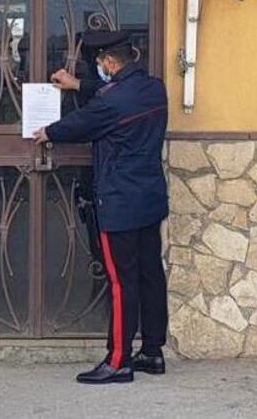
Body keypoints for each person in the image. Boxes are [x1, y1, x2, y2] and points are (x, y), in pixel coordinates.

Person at [34, 31, 169, 385]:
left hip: (120, 203)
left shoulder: (110, 103)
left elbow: (81, 124)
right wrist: (78, 84)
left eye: (100, 65)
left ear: (109, 63)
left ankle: (119, 361)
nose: (100, 71)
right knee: (150, 273)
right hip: (150, 199)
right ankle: (153, 351)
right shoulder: (154, 88)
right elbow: (110, 94)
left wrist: (47, 131)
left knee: (121, 282)